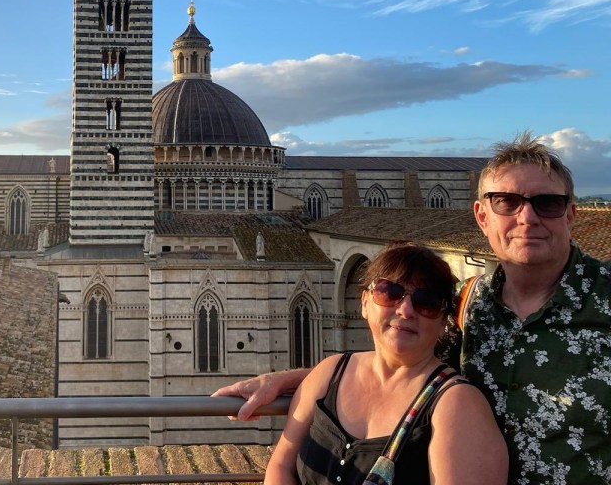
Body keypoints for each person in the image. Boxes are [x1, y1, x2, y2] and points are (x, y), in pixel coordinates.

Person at [215, 133, 611, 485]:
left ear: (571, 214)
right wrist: (305, 380)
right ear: (482, 217)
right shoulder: (470, 304)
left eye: (548, 203)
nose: (527, 217)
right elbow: (407, 363)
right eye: (507, 202)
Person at [264, 244, 505, 485]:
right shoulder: (330, 372)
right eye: (389, 292)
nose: (406, 310)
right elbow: (281, 466)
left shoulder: (458, 404)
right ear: (365, 302)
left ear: (444, 321)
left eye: (427, 302)